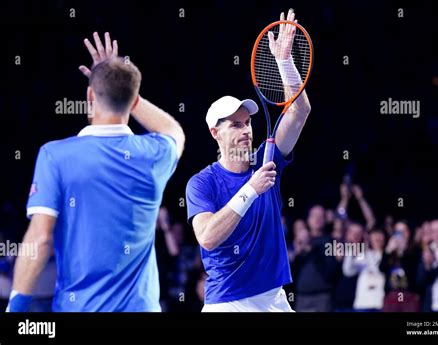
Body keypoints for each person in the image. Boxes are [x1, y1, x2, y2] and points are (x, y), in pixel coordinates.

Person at [7, 32, 185, 312]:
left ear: (90, 94)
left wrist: (15, 308)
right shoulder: (154, 154)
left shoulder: (55, 155)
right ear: (132, 99)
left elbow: (40, 240)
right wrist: (125, 90)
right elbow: (174, 130)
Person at [185, 9, 312, 311]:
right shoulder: (201, 183)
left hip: (274, 298)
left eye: (248, 123)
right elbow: (207, 237)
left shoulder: (268, 159)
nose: (245, 130)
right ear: (215, 132)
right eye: (235, 124)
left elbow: (300, 111)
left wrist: (284, 61)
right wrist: (251, 189)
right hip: (228, 303)